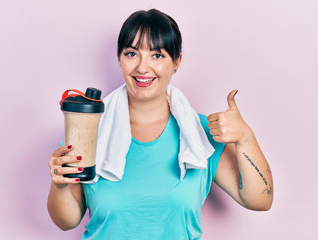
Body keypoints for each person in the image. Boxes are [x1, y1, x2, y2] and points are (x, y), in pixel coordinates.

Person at [47, 9, 273, 240]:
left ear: (177, 62)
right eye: (132, 53)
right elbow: (68, 221)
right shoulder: (88, 130)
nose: (143, 68)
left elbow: (259, 200)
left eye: (157, 55)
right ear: (120, 59)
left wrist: (246, 138)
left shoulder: (202, 134)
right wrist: (60, 184)